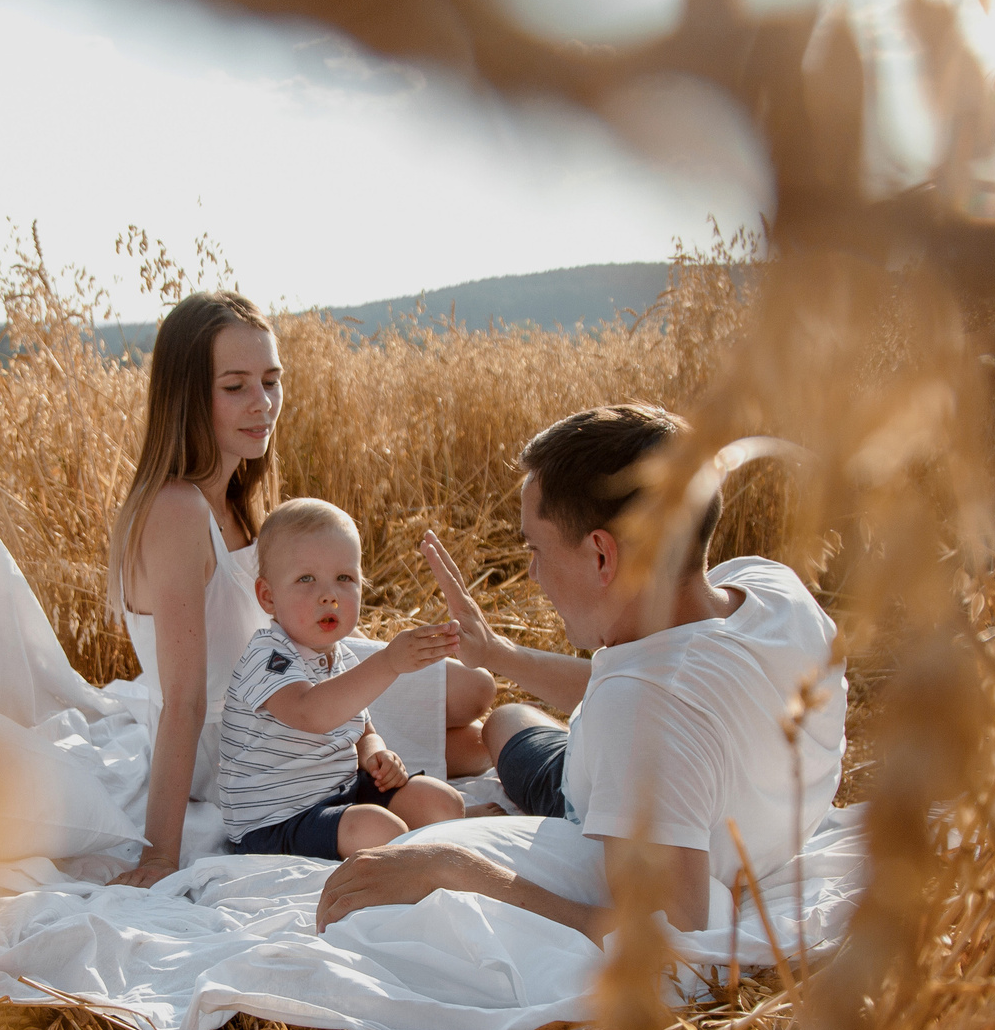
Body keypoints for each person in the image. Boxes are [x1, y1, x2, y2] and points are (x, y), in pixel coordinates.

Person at [314, 403, 846, 939]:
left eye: (537, 548)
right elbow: (664, 678)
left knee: (506, 724)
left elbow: (673, 935)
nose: (532, 572)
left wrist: (453, 871)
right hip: (715, 790)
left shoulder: (637, 711)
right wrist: (496, 653)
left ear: (601, 556)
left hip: (603, 794)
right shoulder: (773, 588)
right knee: (507, 720)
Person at [108, 292, 495, 887]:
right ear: (187, 396)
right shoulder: (177, 510)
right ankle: (450, 802)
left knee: (475, 703)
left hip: (294, 670)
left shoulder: (236, 497)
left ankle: (463, 792)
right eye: (235, 386)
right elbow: (185, 698)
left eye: (271, 381)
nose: (262, 403)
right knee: (469, 708)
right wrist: (159, 854)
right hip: (252, 726)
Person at [217, 499, 466, 857]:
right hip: (277, 820)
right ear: (268, 597)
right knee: (381, 831)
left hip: (341, 791)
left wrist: (376, 754)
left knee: (442, 802)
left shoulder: (341, 656)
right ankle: (411, 854)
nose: (329, 596)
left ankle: (422, 836)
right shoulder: (268, 655)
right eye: (306, 579)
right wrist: (389, 662)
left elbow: (362, 729)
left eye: (344, 578)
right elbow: (310, 712)